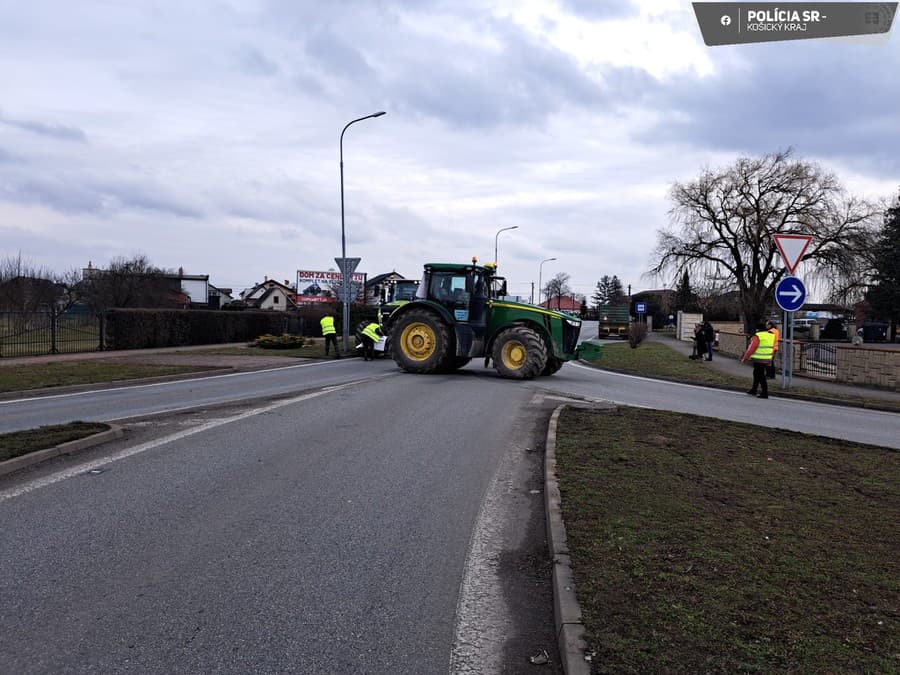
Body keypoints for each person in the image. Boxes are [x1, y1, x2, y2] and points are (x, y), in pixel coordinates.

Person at [741, 323, 776, 398]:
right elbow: (772, 348)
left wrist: (745, 358)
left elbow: (751, 348)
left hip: (759, 359)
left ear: (757, 329)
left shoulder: (758, 336)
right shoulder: (771, 335)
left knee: (760, 376)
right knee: (756, 374)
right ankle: (754, 389)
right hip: (767, 358)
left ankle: (764, 392)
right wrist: (770, 359)